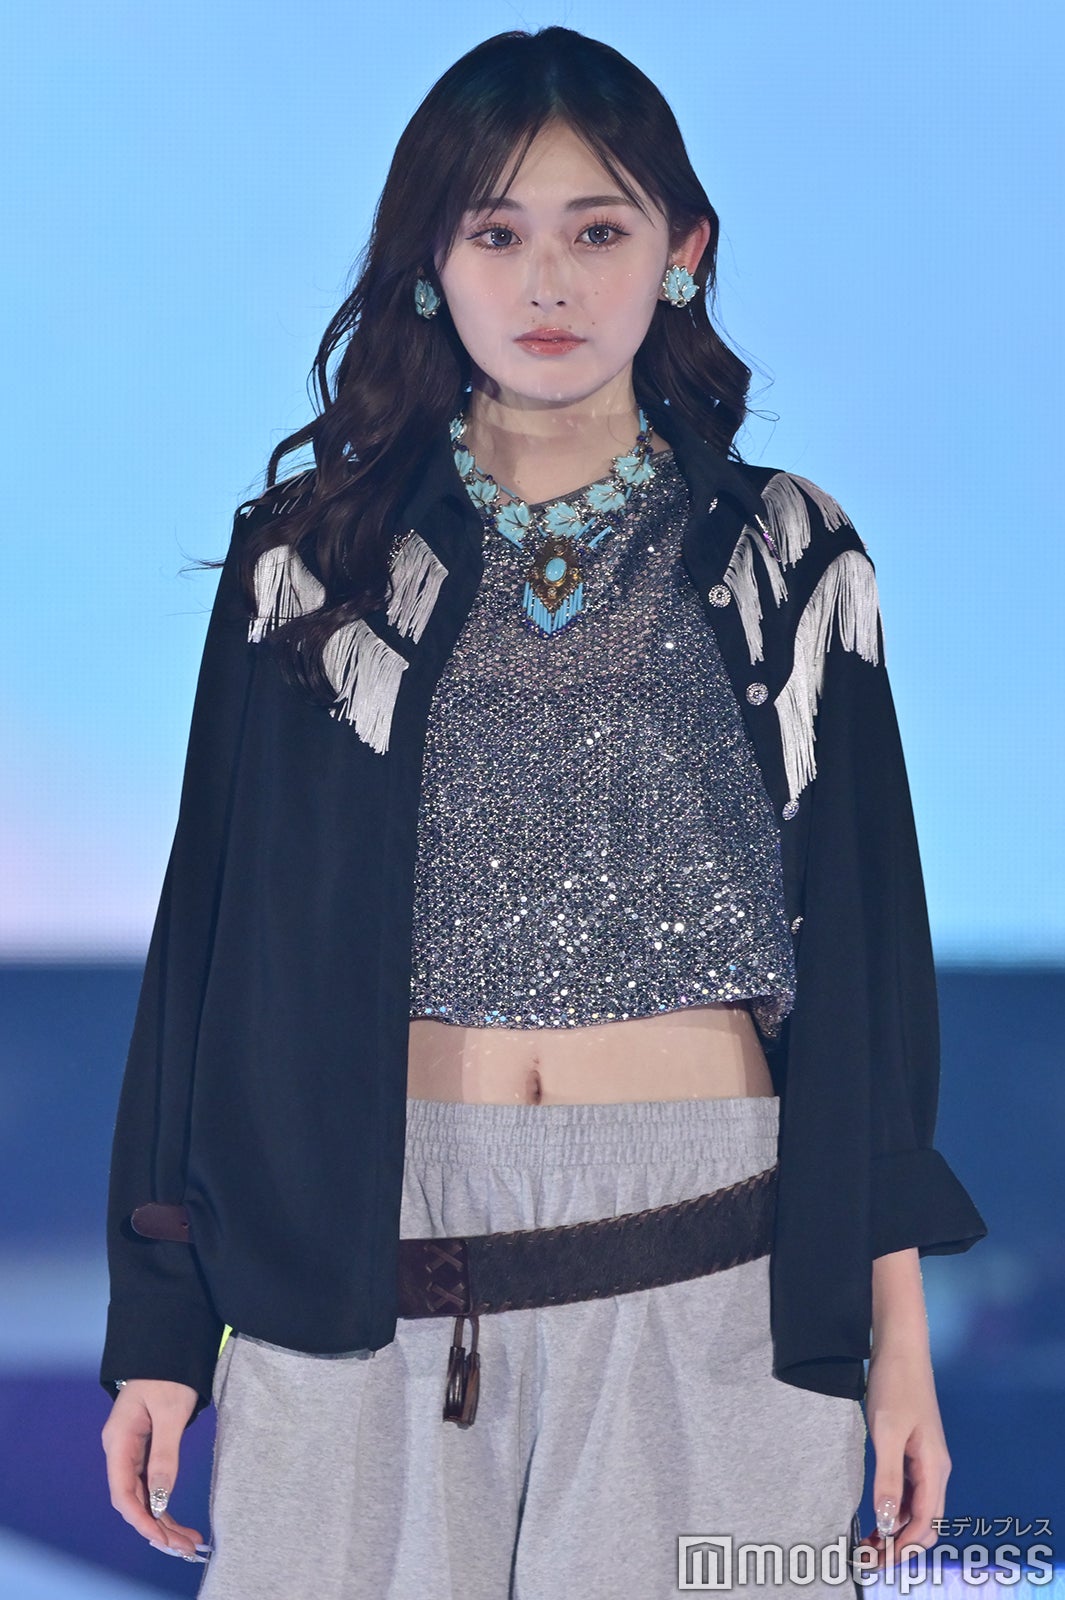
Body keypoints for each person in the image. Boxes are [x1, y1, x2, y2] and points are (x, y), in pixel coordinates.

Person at [99, 26, 987, 1599]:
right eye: (497, 233)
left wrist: (892, 1339)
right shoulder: (307, 563)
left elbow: (866, 964)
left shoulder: (789, 555)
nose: (549, 282)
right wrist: (162, 1330)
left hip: (714, 1256)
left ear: (681, 251)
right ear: (432, 263)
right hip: (356, 1255)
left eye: (597, 230)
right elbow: (210, 953)